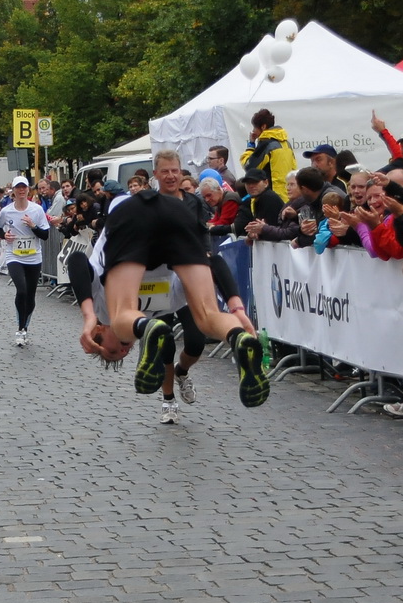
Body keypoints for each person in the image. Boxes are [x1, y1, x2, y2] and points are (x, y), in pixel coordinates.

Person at [96, 175, 269, 408]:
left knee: (125, 317)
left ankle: (168, 358)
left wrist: (88, 315)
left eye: (118, 347)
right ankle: (237, 337)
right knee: (208, 316)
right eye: (125, 351)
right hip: (174, 225)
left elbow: (78, 262)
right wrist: (236, 308)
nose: (126, 347)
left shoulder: (103, 306)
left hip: (131, 226)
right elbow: (214, 262)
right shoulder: (178, 210)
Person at [0, 176, 51, 347]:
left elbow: (45, 235)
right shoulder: (7, 211)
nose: (21, 190)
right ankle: (19, 328)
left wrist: (33, 226)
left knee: (31, 295)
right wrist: (5, 235)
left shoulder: (37, 210)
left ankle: (25, 327)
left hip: (33, 257)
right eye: (18, 188)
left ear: (28, 190)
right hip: (14, 256)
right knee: (22, 290)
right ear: (14, 191)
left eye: (24, 187)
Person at [240, 109, 296, 189]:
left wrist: (251, 145)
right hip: (287, 193)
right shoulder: (286, 143)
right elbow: (293, 168)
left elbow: (249, 168)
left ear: (263, 127)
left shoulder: (266, 144)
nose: (253, 131)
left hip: (272, 195)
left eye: (255, 127)